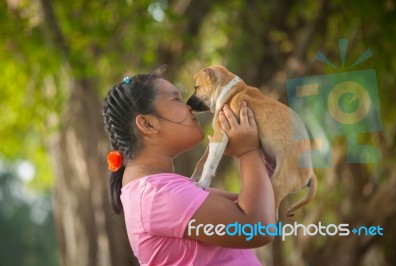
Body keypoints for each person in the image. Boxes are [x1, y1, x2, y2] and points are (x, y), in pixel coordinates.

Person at [102, 69, 275, 266]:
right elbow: (258, 227)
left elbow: (257, 205)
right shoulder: (158, 195)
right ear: (147, 123)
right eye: (176, 100)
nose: (189, 107)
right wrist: (247, 152)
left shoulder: (163, 189)